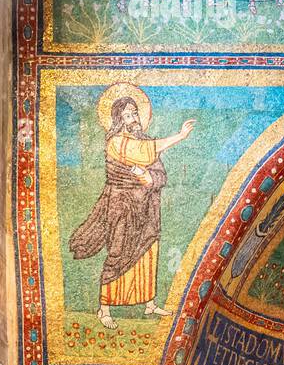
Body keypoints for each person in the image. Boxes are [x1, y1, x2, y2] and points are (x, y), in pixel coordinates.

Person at [68, 95, 195, 330]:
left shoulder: (143, 140)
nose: (133, 118)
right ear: (119, 119)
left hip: (147, 208)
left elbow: (159, 173)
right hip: (122, 206)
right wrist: (179, 136)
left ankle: (148, 302)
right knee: (118, 251)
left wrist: (149, 177)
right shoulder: (116, 142)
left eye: (135, 113)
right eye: (127, 115)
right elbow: (142, 155)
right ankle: (104, 308)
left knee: (148, 250)